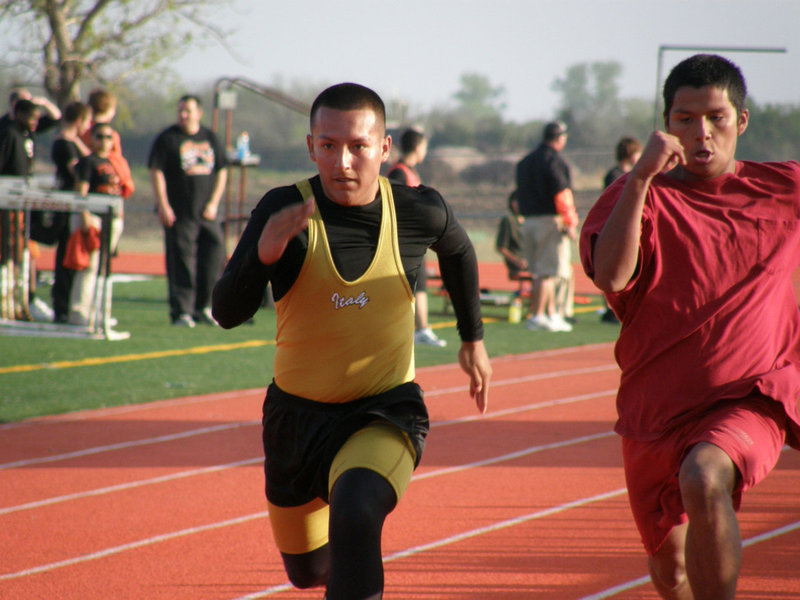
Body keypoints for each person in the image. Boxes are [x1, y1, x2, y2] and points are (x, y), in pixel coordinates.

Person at [212, 82, 491, 600]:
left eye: (359, 146)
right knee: (309, 572)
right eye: (328, 145)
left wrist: (472, 338)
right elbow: (226, 313)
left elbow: (460, 252)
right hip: (296, 421)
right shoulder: (284, 211)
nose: (343, 161)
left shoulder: (417, 210)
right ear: (310, 145)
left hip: (384, 411)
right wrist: (263, 256)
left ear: (384, 148)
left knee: (357, 512)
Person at [580, 53, 800, 600]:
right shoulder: (639, 195)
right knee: (671, 572)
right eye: (685, 119)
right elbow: (610, 275)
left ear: (741, 122)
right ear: (666, 123)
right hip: (653, 411)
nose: (702, 132)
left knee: (704, 478)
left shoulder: (783, 190)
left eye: (716, 117)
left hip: (748, 396)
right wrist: (639, 179)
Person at [149, 94, 228, 327]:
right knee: (182, 261)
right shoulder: (168, 138)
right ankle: (181, 311)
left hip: (207, 213)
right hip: (180, 213)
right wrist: (163, 204)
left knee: (213, 257)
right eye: (180, 110)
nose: (183, 115)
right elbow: (156, 171)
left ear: (199, 113)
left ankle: (204, 308)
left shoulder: (210, 137)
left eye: (188, 111)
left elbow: (222, 170)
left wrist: (214, 202)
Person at [515, 120, 578, 332]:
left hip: (528, 221)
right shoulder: (554, 161)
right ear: (560, 138)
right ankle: (539, 315)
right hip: (548, 220)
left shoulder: (525, 162)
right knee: (547, 272)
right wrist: (570, 222)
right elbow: (562, 193)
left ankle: (551, 314)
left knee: (541, 272)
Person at [386, 128, 445, 347]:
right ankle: (421, 330)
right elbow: (394, 203)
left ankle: (419, 328)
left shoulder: (409, 171)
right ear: (418, 147)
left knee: (418, 284)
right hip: (404, 238)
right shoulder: (399, 173)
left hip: (414, 238)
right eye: (425, 147)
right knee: (413, 284)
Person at [67, 122, 126, 325]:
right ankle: (79, 312)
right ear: (92, 138)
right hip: (92, 218)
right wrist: (84, 219)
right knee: (89, 267)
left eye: (109, 137)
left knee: (103, 268)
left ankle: (97, 312)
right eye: (100, 136)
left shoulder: (114, 162)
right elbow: (80, 192)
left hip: (111, 220)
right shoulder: (87, 161)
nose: (104, 141)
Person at [0, 98, 53, 321]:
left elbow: (55, 119)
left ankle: (19, 302)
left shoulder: (26, 135)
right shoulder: (8, 133)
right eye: (31, 118)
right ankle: (6, 303)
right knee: (8, 250)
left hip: (22, 201)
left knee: (22, 250)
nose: (35, 123)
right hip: (7, 200)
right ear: (19, 114)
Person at [50, 101, 92, 323]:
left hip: (73, 206)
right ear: (79, 121)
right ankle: (61, 306)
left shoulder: (72, 142)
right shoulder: (63, 144)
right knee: (66, 256)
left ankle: (66, 306)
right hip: (67, 206)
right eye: (86, 121)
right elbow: (79, 170)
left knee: (71, 256)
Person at [599, 136, 642, 323]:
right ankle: (610, 308)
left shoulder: (632, 175)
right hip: (614, 227)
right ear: (631, 154)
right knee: (613, 268)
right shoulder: (615, 176)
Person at [81, 88, 135, 200]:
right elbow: (116, 159)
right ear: (108, 109)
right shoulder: (110, 134)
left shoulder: (83, 129)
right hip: (104, 185)